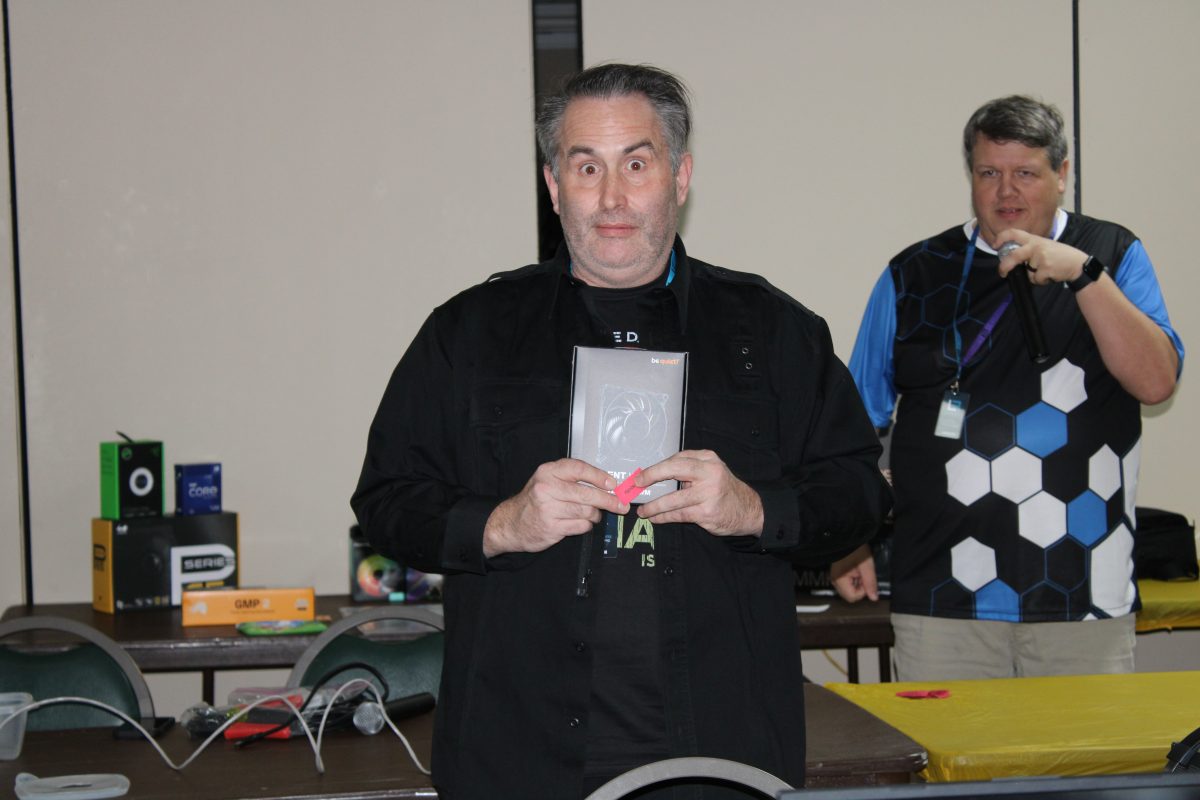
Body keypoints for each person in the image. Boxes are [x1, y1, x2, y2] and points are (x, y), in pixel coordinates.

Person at [352, 63, 890, 799]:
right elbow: (384, 500)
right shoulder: (469, 333)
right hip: (517, 754)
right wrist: (502, 523)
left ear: (680, 176)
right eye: (586, 167)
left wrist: (753, 510)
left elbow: (861, 494)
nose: (611, 197)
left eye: (636, 164)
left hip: (719, 753)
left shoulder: (773, 333)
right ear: (553, 186)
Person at [834, 95, 1183, 681]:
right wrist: (849, 542)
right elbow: (853, 427)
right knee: (944, 746)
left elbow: (1155, 382)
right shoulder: (914, 272)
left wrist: (1084, 276)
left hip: (1083, 598)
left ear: (1062, 174)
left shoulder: (1112, 255)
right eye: (988, 173)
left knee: (1084, 749)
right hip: (941, 597)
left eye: (1026, 173)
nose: (1006, 193)